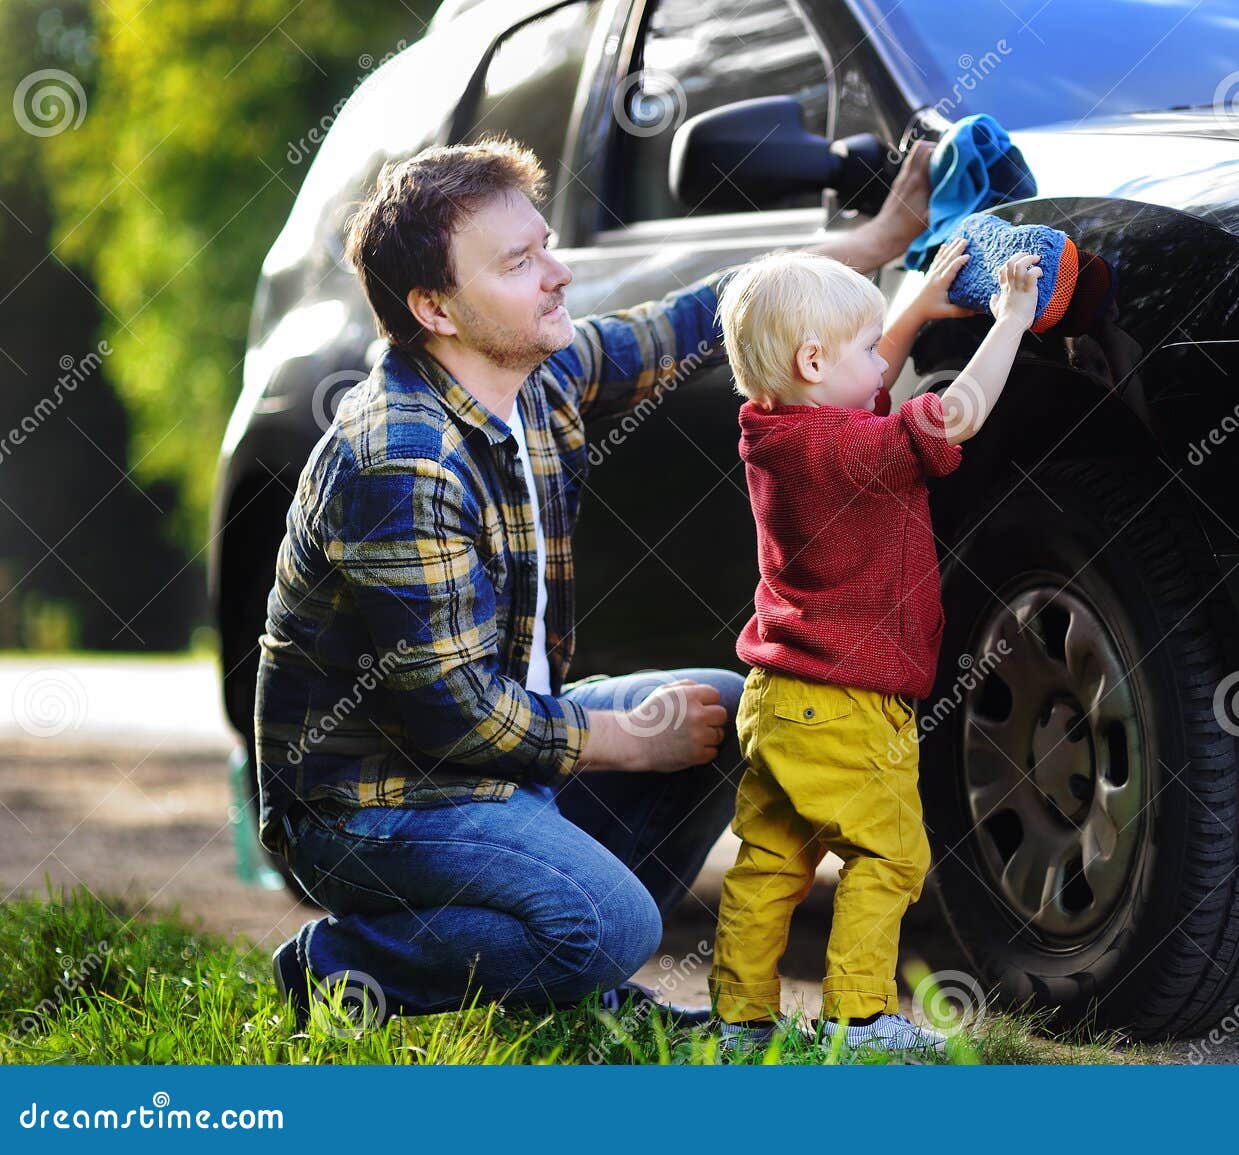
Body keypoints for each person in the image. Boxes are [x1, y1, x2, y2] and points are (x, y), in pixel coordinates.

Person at [254, 132, 938, 1031]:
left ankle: (574, 976)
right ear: (436, 307)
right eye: (520, 262)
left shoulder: (534, 377)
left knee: (716, 704)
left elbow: (711, 312)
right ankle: (345, 968)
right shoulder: (403, 459)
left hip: (484, 775)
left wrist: (878, 245)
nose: (559, 273)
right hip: (372, 805)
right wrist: (623, 739)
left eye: (544, 245)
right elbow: (454, 712)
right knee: (617, 922)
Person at [708, 239, 1043, 1053]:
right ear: (813, 361)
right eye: (866, 348)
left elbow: (853, 380)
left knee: (771, 863)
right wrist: (1010, 323)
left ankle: (738, 1020)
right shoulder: (853, 451)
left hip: (779, 698)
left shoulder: (777, 430)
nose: (881, 364)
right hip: (851, 706)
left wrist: (915, 309)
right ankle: (859, 1019)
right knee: (889, 857)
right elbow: (955, 416)